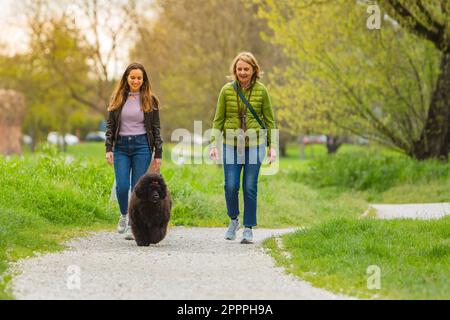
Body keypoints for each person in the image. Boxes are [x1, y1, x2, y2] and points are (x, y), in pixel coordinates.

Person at [209, 52, 277, 244]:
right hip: (231, 144)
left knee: (249, 186)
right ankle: (233, 220)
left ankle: (248, 228)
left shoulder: (262, 91)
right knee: (230, 186)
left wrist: (273, 146)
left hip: (255, 144)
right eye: (239, 69)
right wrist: (213, 144)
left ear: (254, 70)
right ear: (235, 70)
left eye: (246, 69)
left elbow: (270, 121)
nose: (242, 72)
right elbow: (218, 120)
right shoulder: (226, 91)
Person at [105, 62, 163, 240]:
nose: (136, 80)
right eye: (132, 77)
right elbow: (110, 126)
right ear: (126, 78)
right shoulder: (118, 98)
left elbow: (156, 128)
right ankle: (123, 215)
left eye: (139, 78)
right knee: (122, 186)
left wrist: (158, 154)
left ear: (143, 79)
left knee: (137, 188)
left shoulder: (150, 100)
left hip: (142, 147)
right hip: (121, 146)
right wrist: (109, 148)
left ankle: (132, 222)